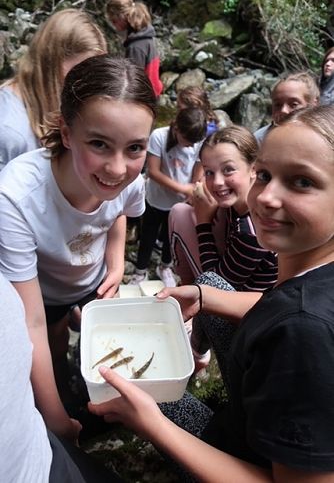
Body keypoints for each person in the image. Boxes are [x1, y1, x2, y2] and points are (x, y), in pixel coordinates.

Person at [90, 104, 334, 482]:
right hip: (257, 415)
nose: (268, 197)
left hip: (251, 462)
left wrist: (152, 426)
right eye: (266, 175)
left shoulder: (303, 334)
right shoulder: (313, 283)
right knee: (212, 286)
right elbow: (274, 303)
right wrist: (206, 297)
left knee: (150, 402)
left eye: (302, 182)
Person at [0, 55, 156, 440]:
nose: (118, 169)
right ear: (66, 133)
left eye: (135, 147)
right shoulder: (17, 196)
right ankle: (63, 388)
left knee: (94, 342)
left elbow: (120, 213)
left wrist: (116, 263)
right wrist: (52, 417)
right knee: (52, 345)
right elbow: (29, 320)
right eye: (99, 144)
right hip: (44, 293)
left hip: (93, 281)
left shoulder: (132, 181)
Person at [169, 126, 277, 373]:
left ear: (254, 168)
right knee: (183, 212)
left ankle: (198, 349)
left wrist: (204, 222)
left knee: (180, 215)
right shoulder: (238, 203)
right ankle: (187, 307)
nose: (217, 182)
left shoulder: (253, 229)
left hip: (246, 312)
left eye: (228, 169)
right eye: (209, 172)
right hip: (234, 281)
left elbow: (215, 284)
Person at [0, 271, 122, 482]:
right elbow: (35, 324)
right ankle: (67, 395)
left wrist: (116, 268)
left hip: (40, 444)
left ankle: (71, 395)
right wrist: (58, 421)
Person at [0, 8, 108, 171]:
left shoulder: (50, 101)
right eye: (78, 73)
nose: (85, 85)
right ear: (48, 65)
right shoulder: (10, 130)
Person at [129, 108, 207, 287]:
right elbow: (153, 171)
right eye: (187, 141)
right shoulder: (159, 136)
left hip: (179, 204)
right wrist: (183, 188)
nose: (190, 146)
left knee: (171, 239)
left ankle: (165, 267)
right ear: (177, 128)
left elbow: (198, 169)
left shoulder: (199, 141)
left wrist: (194, 188)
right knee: (148, 237)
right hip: (155, 199)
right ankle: (140, 271)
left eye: (193, 142)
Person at [106, 0, 163, 97]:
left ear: (122, 17)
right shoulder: (146, 36)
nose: (114, 26)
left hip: (146, 97)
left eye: (114, 21)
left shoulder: (136, 47)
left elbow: (134, 82)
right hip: (154, 92)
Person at [254, 71, 319, 144]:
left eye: (294, 104)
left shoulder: (325, 139)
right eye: (278, 104)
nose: (283, 110)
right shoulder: (259, 140)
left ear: (313, 105)